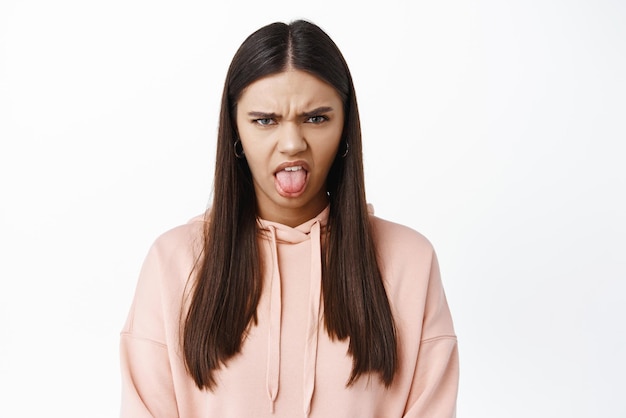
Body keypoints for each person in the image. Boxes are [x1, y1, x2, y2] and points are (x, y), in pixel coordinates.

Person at [119, 19, 459, 418]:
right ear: (235, 130)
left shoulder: (410, 261)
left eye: (316, 118)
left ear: (346, 126)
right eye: (265, 120)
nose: (293, 143)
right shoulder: (173, 262)